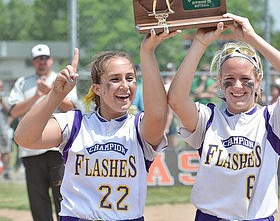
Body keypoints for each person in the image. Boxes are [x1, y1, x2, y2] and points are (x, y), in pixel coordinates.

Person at [14, 28, 180, 220]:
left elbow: (158, 114)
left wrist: (147, 52)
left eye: (130, 78)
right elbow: (23, 138)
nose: (125, 85)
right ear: (97, 89)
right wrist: (56, 95)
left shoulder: (138, 128)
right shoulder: (75, 124)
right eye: (115, 79)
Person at [168, 13, 280, 220]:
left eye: (245, 78)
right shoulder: (209, 120)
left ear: (258, 80)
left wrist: (252, 39)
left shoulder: (271, 120)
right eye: (229, 79)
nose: (237, 86)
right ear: (219, 82)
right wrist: (199, 42)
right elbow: (177, 99)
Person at [8, 44, 78, 221]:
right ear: (33, 62)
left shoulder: (62, 78)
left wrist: (52, 92)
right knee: (38, 202)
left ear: (51, 60)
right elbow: (14, 111)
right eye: (38, 59)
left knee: (63, 199)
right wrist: (36, 95)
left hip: (58, 149)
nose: (42, 62)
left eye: (45, 58)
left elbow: (73, 108)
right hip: (31, 150)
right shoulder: (23, 83)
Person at [0, 80, 14, 180]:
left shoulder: (6, 97)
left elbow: (11, 112)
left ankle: (7, 171)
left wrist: (1, 100)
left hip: (4, 128)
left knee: (6, 150)